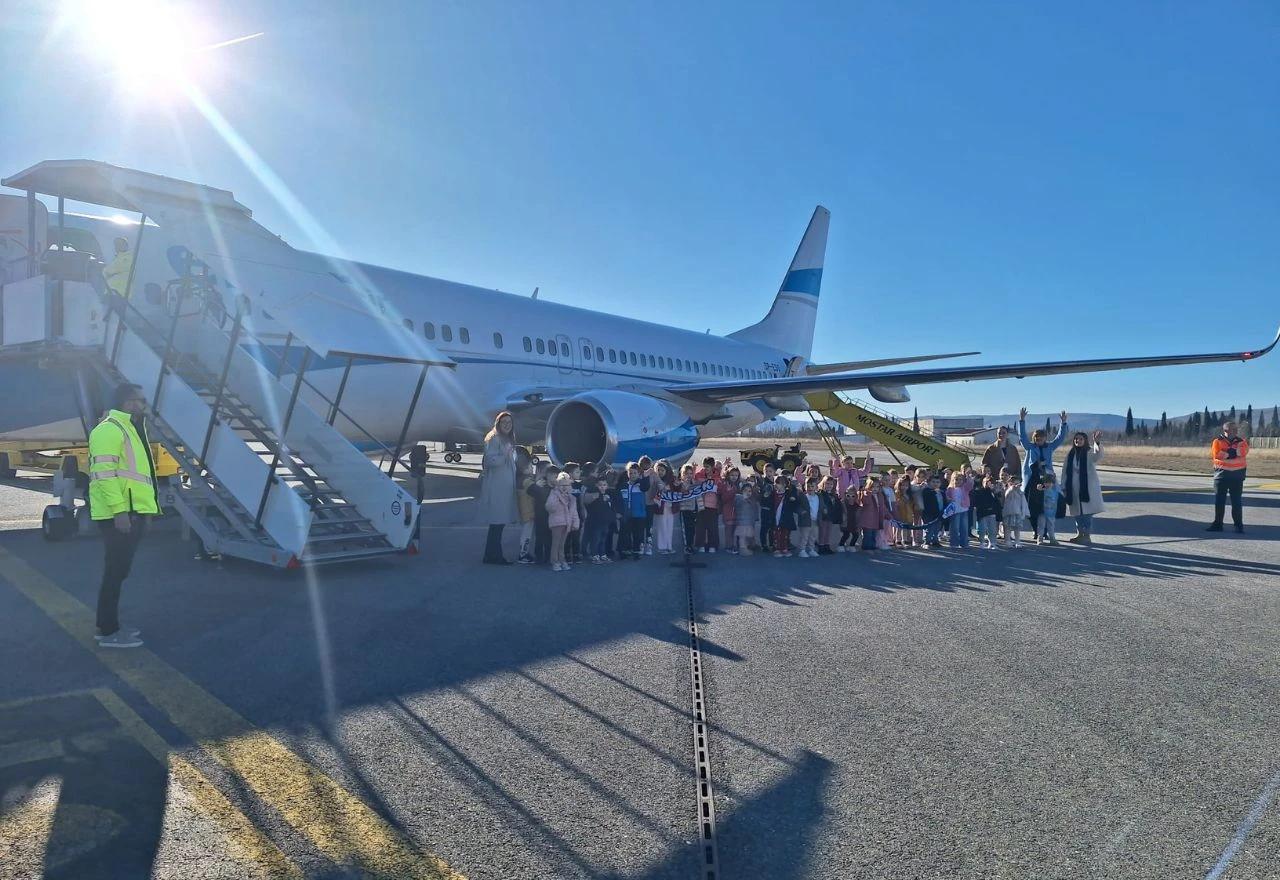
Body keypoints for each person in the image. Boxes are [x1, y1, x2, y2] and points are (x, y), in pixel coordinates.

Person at [89, 383, 160, 649]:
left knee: (119, 572)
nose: (144, 404)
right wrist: (120, 512)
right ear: (127, 403)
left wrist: (148, 513)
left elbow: (140, 479)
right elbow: (104, 475)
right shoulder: (109, 429)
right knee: (115, 572)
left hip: (132, 512)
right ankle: (108, 631)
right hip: (118, 514)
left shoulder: (131, 429)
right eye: (140, 400)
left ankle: (109, 626)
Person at [1018, 408, 1068, 535]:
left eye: (1041, 438)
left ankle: (1044, 530)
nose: (1039, 440)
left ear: (1045, 438)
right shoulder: (1029, 447)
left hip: (1047, 479)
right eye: (1036, 438)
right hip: (1032, 479)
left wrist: (1063, 423)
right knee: (1031, 506)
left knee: (1047, 504)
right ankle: (1036, 530)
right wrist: (1022, 420)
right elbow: (1022, 437)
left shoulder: (1050, 447)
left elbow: (1060, 438)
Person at [478, 411, 519, 564]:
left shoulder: (507, 438)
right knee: (497, 523)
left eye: (509, 422)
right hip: (497, 487)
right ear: (498, 423)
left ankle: (490, 555)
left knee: (498, 524)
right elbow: (489, 460)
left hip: (505, 487)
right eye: (504, 422)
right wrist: (504, 455)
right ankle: (495, 556)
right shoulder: (494, 438)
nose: (507, 425)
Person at [1062, 430, 1106, 545]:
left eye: (1081, 439)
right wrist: (1064, 486)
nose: (1078, 440)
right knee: (1077, 513)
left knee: (1087, 514)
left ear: (1085, 440)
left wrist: (1097, 443)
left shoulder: (1089, 452)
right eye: (1076, 439)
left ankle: (1086, 535)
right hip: (1073, 489)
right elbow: (1065, 471)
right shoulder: (1070, 454)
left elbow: (1099, 456)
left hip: (1087, 488)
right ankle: (1079, 534)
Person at [1208, 420, 1249, 533]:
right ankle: (1218, 524)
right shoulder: (1217, 441)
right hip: (1221, 476)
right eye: (1233, 429)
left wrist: (1227, 453)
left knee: (1236, 502)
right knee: (1219, 501)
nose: (1236, 431)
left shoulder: (1242, 442)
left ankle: (1239, 526)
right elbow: (1217, 454)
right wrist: (1233, 453)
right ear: (1226, 430)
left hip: (1237, 477)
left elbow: (1243, 452)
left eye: (1236, 429)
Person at [546, 473, 579, 571]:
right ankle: (555, 561)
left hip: (567, 523)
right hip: (556, 523)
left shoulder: (571, 497)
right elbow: (550, 507)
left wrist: (575, 523)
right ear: (557, 485)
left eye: (567, 485)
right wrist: (557, 497)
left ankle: (562, 560)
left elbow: (574, 511)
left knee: (562, 544)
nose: (564, 487)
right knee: (556, 544)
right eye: (562, 485)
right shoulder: (554, 494)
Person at [526, 463, 555, 565]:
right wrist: (536, 484)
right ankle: (539, 556)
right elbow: (530, 491)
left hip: (551, 515)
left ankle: (548, 556)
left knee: (549, 537)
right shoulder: (541, 483)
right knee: (540, 537)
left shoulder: (554, 485)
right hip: (540, 515)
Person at [652, 460, 678, 554]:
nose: (660, 472)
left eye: (662, 470)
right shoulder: (655, 481)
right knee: (662, 527)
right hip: (661, 507)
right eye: (658, 470)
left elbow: (677, 489)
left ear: (667, 471)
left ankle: (669, 546)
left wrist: (677, 485)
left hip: (670, 507)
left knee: (669, 527)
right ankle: (662, 547)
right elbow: (653, 493)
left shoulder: (672, 480)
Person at [515, 449, 536, 563]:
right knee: (527, 534)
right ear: (524, 470)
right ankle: (523, 554)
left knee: (526, 532)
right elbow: (535, 491)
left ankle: (524, 553)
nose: (532, 469)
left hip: (524, 510)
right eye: (530, 467)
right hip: (528, 511)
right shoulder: (526, 480)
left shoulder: (519, 480)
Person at [971, 476, 1002, 550]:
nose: (988, 484)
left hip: (992, 513)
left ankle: (992, 543)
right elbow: (976, 502)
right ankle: (982, 543)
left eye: (990, 483)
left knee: (992, 529)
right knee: (982, 529)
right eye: (986, 482)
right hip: (983, 513)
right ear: (983, 483)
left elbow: (997, 502)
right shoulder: (979, 491)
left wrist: (995, 491)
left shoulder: (993, 492)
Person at [857, 477, 886, 552]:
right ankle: (866, 547)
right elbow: (865, 502)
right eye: (873, 487)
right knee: (868, 534)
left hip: (876, 519)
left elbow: (882, 507)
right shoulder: (866, 494)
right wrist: (868, 493)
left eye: (877, 487)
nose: (875, 489)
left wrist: (887, 516)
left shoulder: (880, 496)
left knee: (874, 534)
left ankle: (872, 546)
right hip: (867, 520)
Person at [1001, 475, 1029, 548]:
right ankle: (1007, 541)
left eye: (1019, 484)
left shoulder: (1021, 493)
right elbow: (1007, 495)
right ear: (1011, 483)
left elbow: (1024, 503)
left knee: (1017, 528)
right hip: (1009, 512)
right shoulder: (1008, 490)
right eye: (1016, 483)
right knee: (1007, 527)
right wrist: (1012, 488)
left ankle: (1017, 541)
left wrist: (1025, 512)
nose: (1017, 485)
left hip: (1018, 512)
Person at [945, 471, 972, 549]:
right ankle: (954, 543)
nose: (958, 481)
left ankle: (964, 543)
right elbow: (947, 497)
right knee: (955, 527)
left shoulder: (964, 488)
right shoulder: (950, 489)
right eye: (956, 479)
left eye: (960, 479)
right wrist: (949, 500)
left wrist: (968, 477)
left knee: (964, 527)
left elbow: (970, 485)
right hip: (954, 511)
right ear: (952, 480)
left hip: (964, 510)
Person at [1037, 474, 1061, 546]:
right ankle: (1040, 538)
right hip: (1042, 511)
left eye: (1050, 483)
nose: (1048, 484)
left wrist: (1054, 478)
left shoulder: (1055, 491)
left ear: (1053, 483)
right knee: (1041, 525)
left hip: (1052, 512)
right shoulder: (1042, 490)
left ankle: (1052, 538)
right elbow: (1038, 489)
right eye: (1046, 482)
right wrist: (1039, 488)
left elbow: (1058, 488)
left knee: (1051, 525)